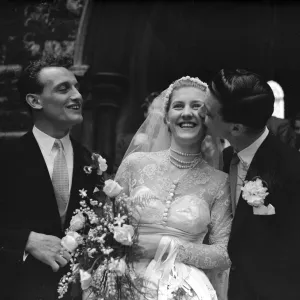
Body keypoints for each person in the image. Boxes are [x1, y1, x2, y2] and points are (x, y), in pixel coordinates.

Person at [114, 76, 232, 300]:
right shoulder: (135, 164)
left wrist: (164, 246)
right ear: (166, 118)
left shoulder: (220, 182)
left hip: (184, 290)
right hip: (122, 282)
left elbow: (223, 254)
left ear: (209, 118)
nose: (187, 113)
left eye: (197, 106)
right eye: (178, 106)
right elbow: (107, 226)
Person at [0, 55, 98, 300]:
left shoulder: (93, 162)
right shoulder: (6, 155)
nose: (77, 96)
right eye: (64, 89)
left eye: (77, 87)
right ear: (35, 100)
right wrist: (26, 240)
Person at [201, 69, 300, 300]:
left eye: (208, 113)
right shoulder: (224, 160)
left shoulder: (292, 170)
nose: (200, 115)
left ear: (235, 128)